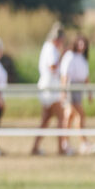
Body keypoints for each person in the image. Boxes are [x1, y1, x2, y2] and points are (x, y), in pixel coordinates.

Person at [32, 23, 70, 156]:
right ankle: (61, 148)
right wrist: (63, 55)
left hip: (49, 87)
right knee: (61, 117)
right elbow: (53, 67)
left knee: (45, 119)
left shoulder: (48, 48)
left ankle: (35, 147)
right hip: (50, 89)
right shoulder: (51, 49)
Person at [60, 34, 95, 155]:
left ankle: (65, 143)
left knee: (70, 116)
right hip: (71, 86)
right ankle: (83, 142)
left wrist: (89, 91)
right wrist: (64, 91)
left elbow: (85, 77)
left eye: (84, 44)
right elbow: (65, 75)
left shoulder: (82, 58)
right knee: (80, 114)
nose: (82, 46)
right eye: (80, 43)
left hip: (79, 87)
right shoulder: (70, 56)